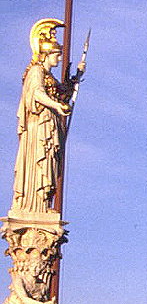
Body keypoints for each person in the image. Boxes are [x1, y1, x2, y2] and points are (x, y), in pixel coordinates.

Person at [12, 19, 84, 216]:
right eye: (57, 55)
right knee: (38, 163)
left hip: (50, 127)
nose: (59, 59)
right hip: (39, 127)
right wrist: (56, 106)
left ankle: (42, 204)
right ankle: (33, 205)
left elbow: (62, 94)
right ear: (46, 54)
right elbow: (36, 94)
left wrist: (76, 76)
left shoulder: (49, 76)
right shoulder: (35, 71)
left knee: (49, 165)